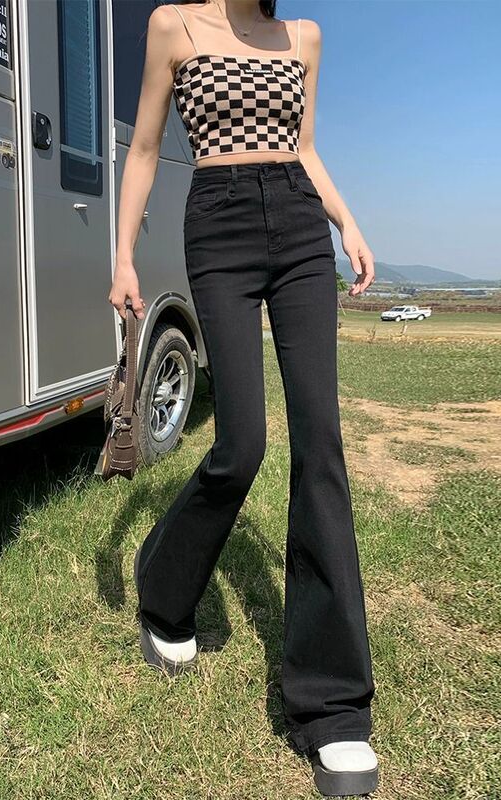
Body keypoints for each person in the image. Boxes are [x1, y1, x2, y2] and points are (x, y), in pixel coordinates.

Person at [108, 1, 378, 795]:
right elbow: (146, 147)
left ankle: (333, 709)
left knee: (320, 443)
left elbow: (304, 147)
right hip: (218, 224)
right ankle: (164, 587)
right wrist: (122, 257)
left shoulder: (304, 38)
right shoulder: (175, 26)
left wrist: (347, 223)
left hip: (298, 224)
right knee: (242, 445)